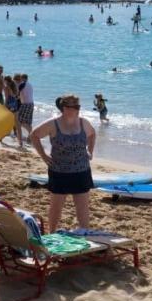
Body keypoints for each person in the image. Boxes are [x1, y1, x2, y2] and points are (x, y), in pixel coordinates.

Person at [29, 94, 96, 233]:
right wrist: (43, 156)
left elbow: (92, 134)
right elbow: (34, 135)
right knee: (56, 206)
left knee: (82, 206)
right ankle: (52, 233)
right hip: (59, 172)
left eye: (77, 106)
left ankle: (85, 233)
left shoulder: (84, 123)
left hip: (81, 170)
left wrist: (90, 151)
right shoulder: (53, 124)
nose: (74, 109)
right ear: (63, 107)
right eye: (70, 106)